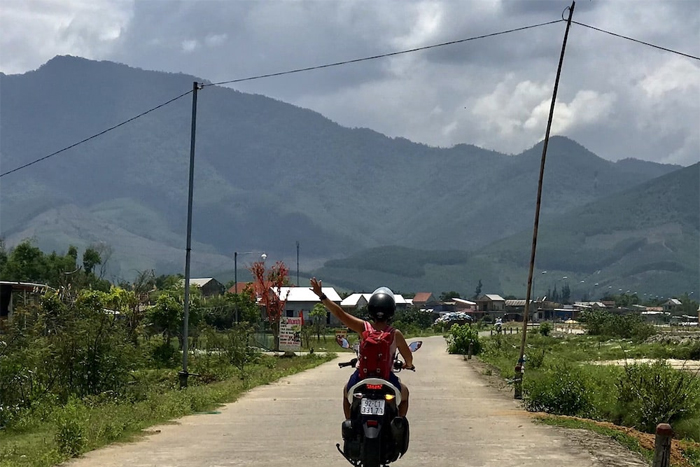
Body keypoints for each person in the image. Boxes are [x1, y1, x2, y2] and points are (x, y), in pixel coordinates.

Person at [310, 277, 413, 419]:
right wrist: (408, 364)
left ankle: (349, 425)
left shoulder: (362, 327)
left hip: (362, 377)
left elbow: (340, 314)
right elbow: (409, 358)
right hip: (386, 378)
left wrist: (321, 295)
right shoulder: (395, 334)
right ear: (391, 310)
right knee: (405, 395)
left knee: (346, 393)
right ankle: (399, 423)